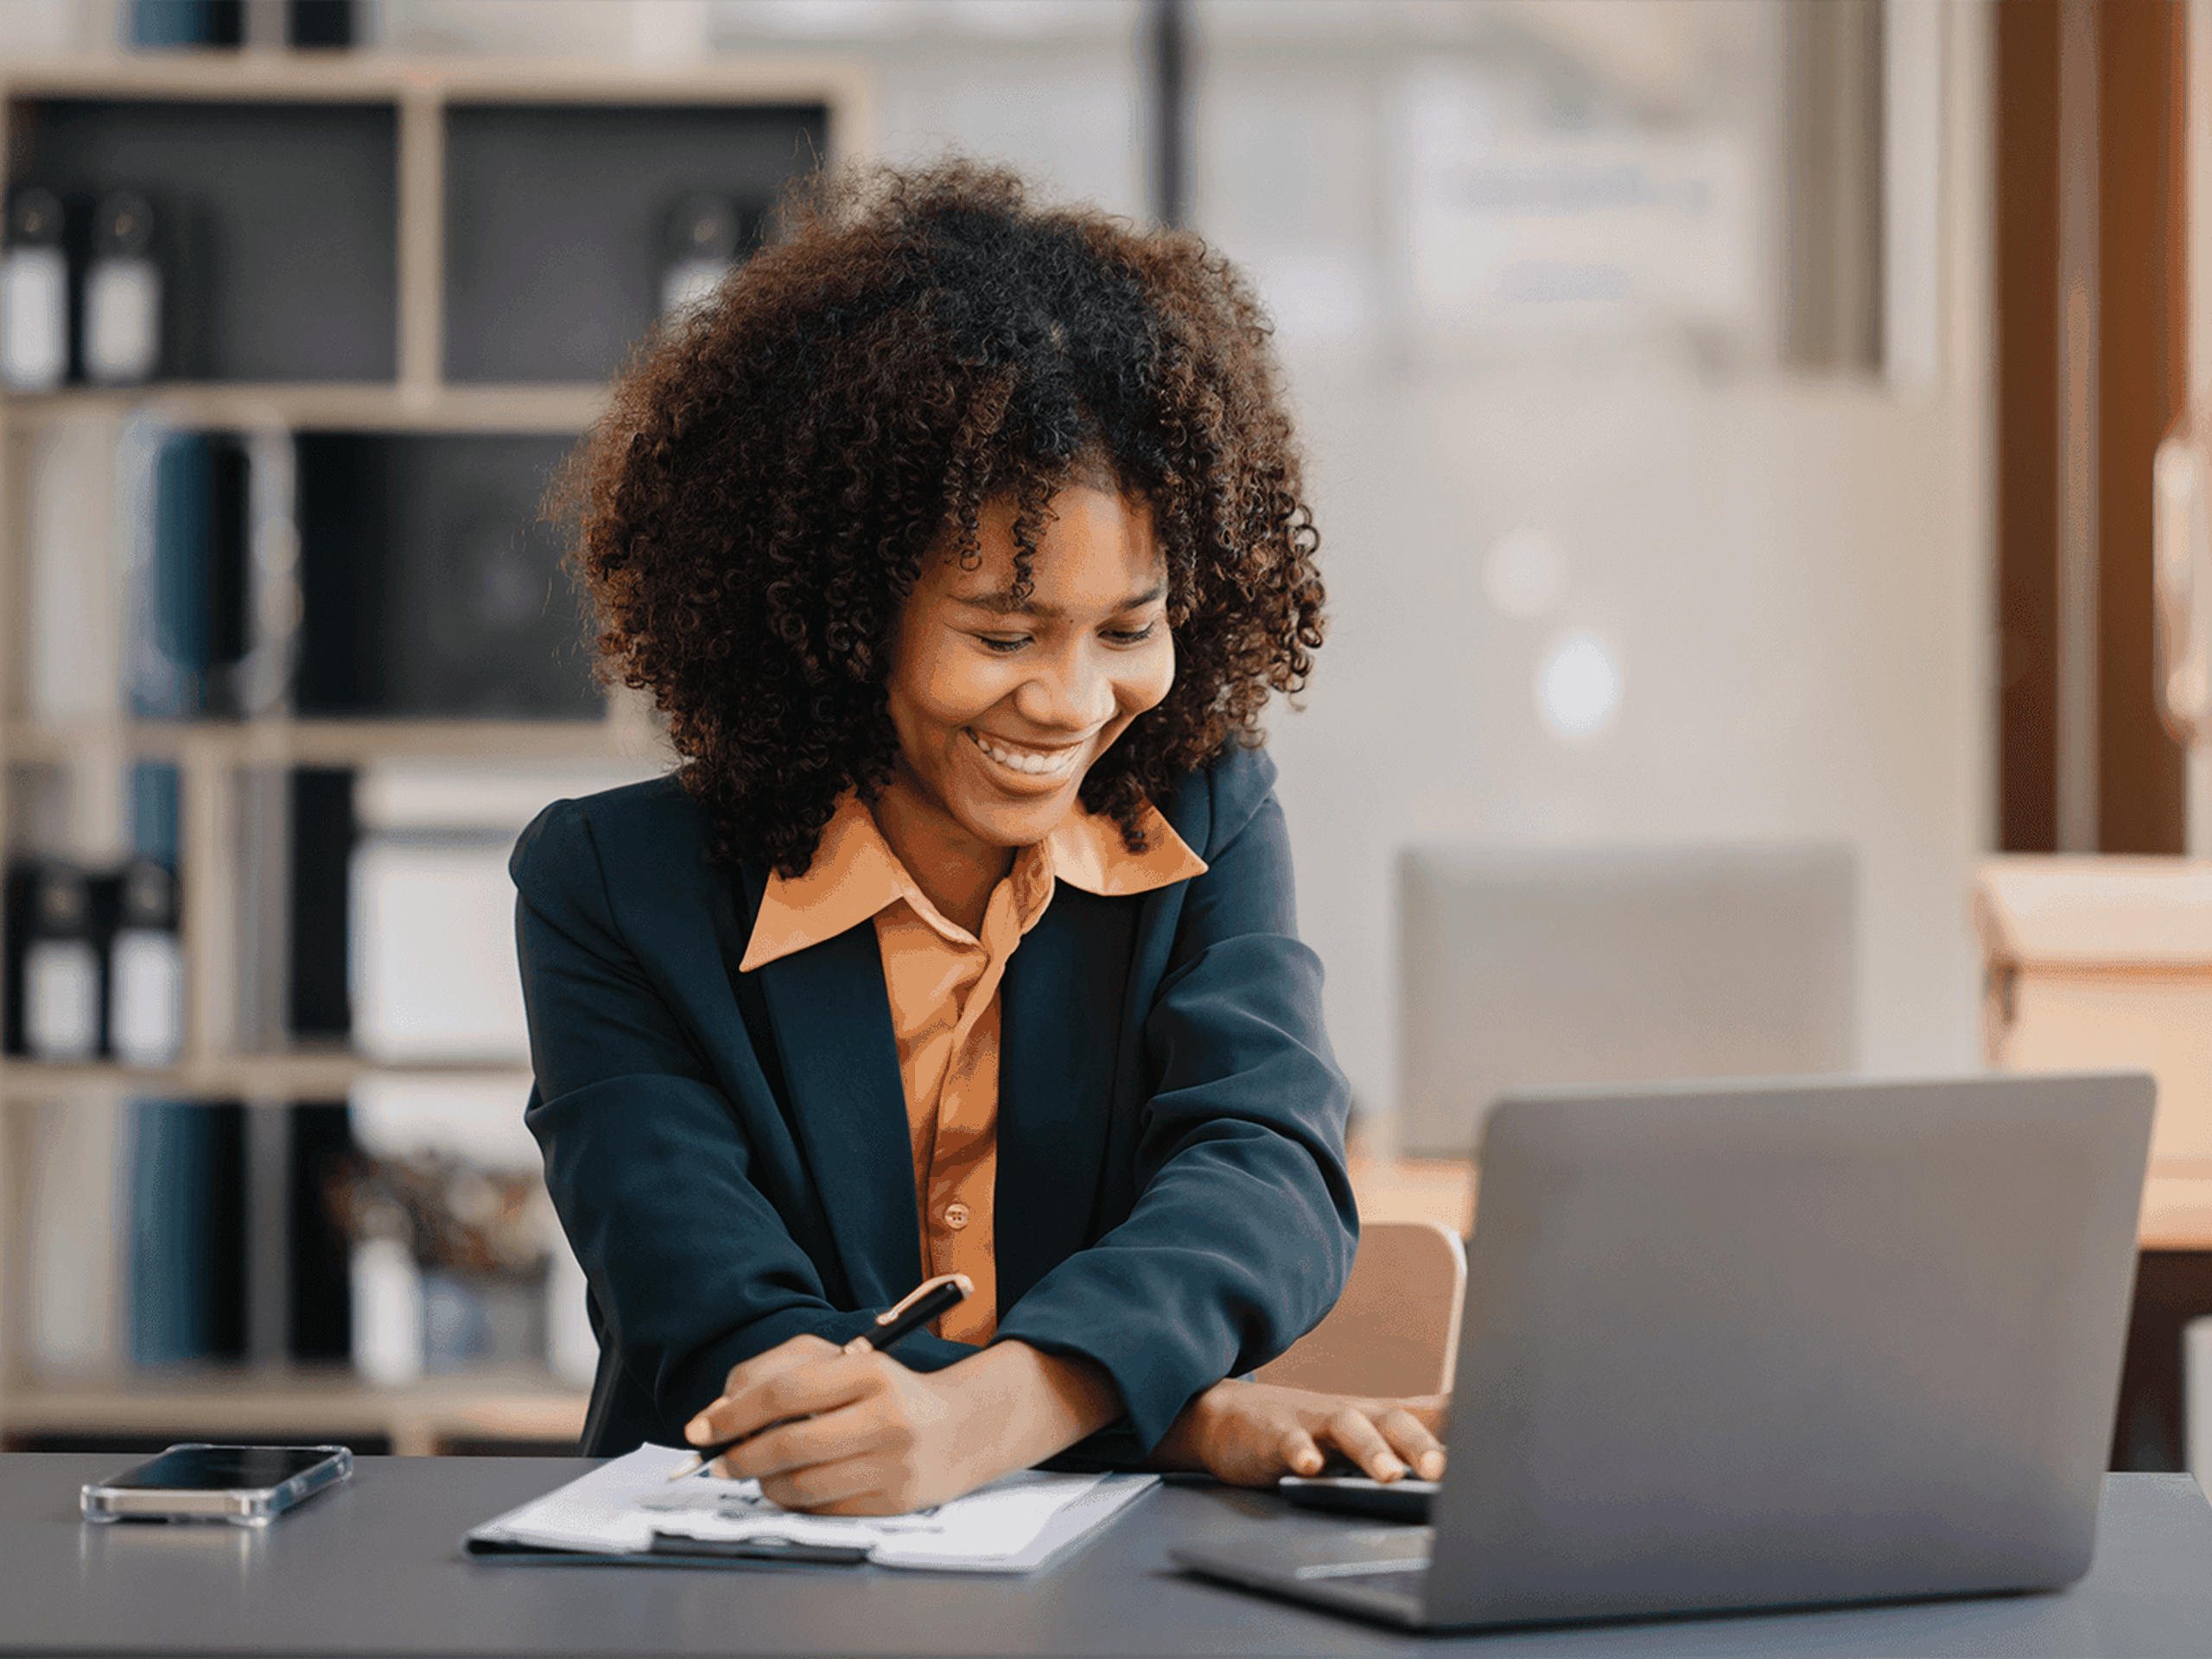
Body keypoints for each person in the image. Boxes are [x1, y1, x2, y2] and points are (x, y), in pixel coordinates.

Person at [513, 159, 1443, 1516]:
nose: (1072, 704)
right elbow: (712, 1321)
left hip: (1115, 1598)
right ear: (843, 614)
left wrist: (990, 1417)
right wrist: (1166, 1419)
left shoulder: (1201, 814)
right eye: (1003, 634)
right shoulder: (612, 890)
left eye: (1129, 630)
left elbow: (1267, 1175)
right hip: (744, 1571)